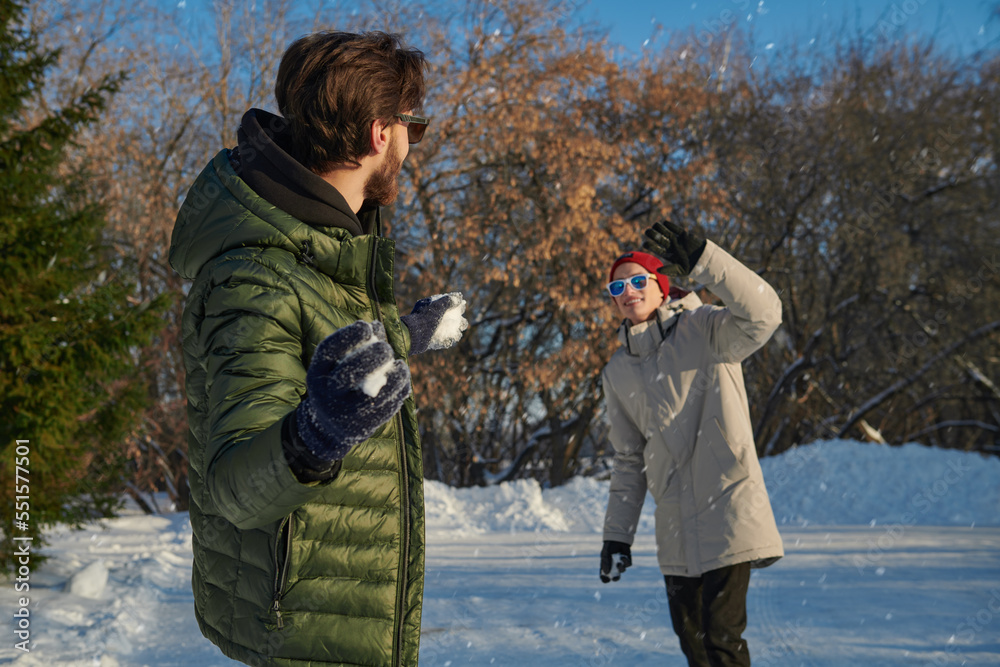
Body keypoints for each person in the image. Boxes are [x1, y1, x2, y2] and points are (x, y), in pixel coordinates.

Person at [168, 31, 467, 667]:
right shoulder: (255, 276)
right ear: (380, 133)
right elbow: (231, 484)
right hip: (301, 631)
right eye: (415, 125)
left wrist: (405, 334)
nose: (414, 144)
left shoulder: (324, 247)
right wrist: (314, 436)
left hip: (334, 614)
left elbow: (316, 350)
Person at [598, 220, 784, 667]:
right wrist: (616, 537)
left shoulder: (706, 330)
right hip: (675, 528)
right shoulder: (618, 372)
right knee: (694, 647)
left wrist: (706, 261)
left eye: (638, 280)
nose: (628, 291)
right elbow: (628, 460)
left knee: (722, 639)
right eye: (617, 286)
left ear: (663, 287)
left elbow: (765, 313)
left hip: (728, 508)